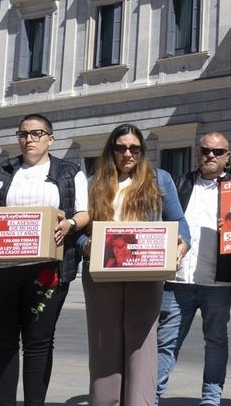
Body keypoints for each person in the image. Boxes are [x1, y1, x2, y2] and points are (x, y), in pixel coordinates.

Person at [0, 114, 88, 406]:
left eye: (37, 133)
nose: (29, 139)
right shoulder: (1, 170)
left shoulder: (69, 172)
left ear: (51, 139)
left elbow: (83, 213)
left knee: (39, 343)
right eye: (23, 134)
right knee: (1, 342)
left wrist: (69, 224)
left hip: (46, 270)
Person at [83, 123, 190, 406]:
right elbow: (79, 226)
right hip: (101, 272)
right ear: (111, 150)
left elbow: (178, 220)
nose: (128, 154)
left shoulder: (159, 179)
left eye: (134, 148)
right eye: (121, 148)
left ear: (142, 151)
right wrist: (86, 244)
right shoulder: (93, 182)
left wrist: (182, 243)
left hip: (145, 271)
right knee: (104, 340)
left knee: (142, 342)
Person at [155, 132, 231, 406]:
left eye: (218, 151)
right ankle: (150, 396)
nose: (211, 155)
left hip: (219, 284)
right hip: (178, 281)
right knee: (165, 342)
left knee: (216, 342)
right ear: (197, 152)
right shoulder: (179, 185)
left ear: (227, 156)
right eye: (205, 150)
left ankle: (211, 399)